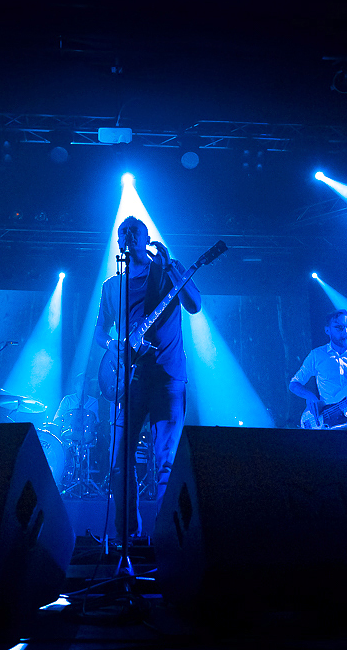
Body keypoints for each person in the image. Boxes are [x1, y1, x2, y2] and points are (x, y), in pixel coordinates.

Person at [94, 216, 201, 539]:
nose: (127, 236)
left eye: (134, 232)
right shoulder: (112, 287)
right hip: (130, 379)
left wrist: (171, 267)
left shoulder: (166, 272)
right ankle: (128, 536)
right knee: (119, 461)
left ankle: (168, 537)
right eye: (122, 232)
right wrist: (111, 344)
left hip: (167, 375)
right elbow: (100, 332)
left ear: (146, 238)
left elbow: (195, 305)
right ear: (118, 242)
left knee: (165, 461)